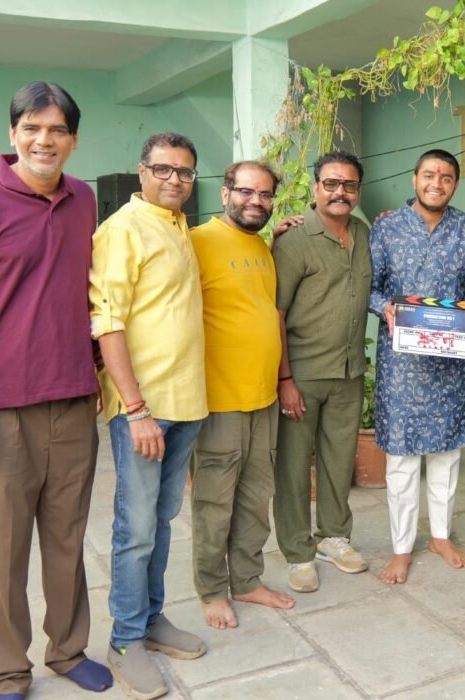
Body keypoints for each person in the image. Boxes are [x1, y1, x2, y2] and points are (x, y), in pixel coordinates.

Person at [0, 80, 112, 700]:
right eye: (31, 128)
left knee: (67, 536)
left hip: (72, 399)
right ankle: (9, 670)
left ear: (74, 140)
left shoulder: (83, 198)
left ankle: (68, 649)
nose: (44, 140)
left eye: (57, 129)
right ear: (12, 134)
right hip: (0, 410)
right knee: (2, 548)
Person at [90, 132, 209, 700]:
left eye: (184, 172)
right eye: (163, 169)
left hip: (185, 402)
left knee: (161, 521)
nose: (174, 180)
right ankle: (125, 640)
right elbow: (107, 322)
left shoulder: (179, 225)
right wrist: (135, 409)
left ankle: (152, 619)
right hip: (145, 408)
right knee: (135, 529)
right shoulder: (122, 230)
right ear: (141, 172)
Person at [368, 149, 465, 584]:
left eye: (447, 177)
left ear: (455, 184)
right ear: (415, 179)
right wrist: (386, 308)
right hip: (401, 363)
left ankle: (440, 536)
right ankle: (401, 548)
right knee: (401, 457)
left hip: (451, 360)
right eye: (429, 175)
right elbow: (371, 287)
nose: (437, 183)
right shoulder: (387, 228)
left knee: (446, 453)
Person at [189, 161, 295, 630]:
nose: (256, 201)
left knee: (255, 499)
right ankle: (212, 590)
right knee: (215, 504)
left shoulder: (260, 247)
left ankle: (247, 580)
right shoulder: (197, 242)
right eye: (246, 192)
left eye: (265, 194)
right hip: (219, 400)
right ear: (225, 193)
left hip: (262, 397)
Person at [272, 151, 372, 593]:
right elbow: (276, 313)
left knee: (338, 459)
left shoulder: (364, 234)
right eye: (331, 183)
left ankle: (333, 536)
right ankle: (298, 551)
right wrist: (285, 380)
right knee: (294, 467)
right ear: (315, 188)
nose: (340, 192)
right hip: (303, 372)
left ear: (358, 191)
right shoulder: (294, 240)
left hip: (348, 371)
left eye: (349, 185)